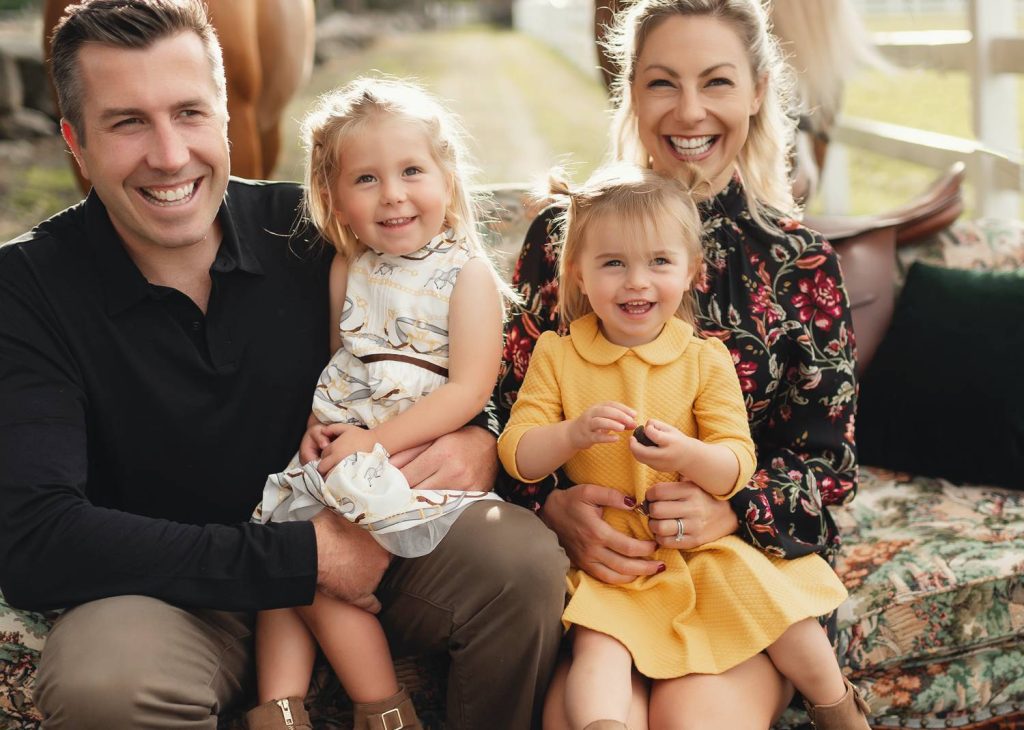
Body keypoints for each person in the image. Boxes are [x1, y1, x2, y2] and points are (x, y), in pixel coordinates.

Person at [0, 2, 567, 729]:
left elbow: (429, 340)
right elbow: (38, 539)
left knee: (518, 565)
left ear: (227, 117)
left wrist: (477, 437)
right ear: (75, 143)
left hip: (368, 533)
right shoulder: (27, 290)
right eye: (128, 122)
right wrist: (299, 557)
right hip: (168, 597)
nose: (170, 155)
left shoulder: (311, 230)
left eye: (190, 113)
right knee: (106, 680)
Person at [494, 0, 860, 727]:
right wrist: (554, 510)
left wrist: (730, 510)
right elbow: (504, 409)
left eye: (717, 82)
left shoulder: (801, 263)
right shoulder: (567, 238)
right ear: (631, 92)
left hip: (743, 567)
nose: (689, 111)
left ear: (758, 91)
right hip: (609, 573)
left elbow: (829, 468)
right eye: (663, 83)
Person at [248, 77, 510, 730]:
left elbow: (469, 389)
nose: (392, 194)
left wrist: (376, 444)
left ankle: (383, 707)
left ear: (447, 176)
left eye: (411, 170)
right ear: (333, 195)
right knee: (282, 553)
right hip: (349, 450)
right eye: (366, 179)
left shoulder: (466, 275)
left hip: (409, 455)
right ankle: (279, 710)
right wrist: (320, 426)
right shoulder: (349, 267)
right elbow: (344, 367)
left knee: (308, 562)